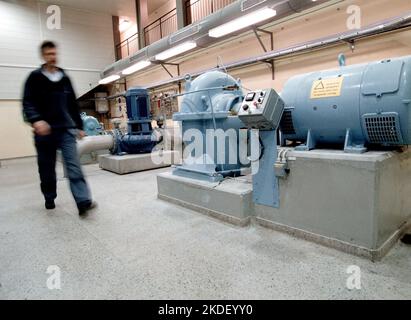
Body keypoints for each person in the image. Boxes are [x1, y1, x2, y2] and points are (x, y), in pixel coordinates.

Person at [23, 41, 96, 215]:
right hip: (44, 132)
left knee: (74, 166)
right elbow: (28, 103)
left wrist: (78, 125)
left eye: (54, 54)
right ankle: (49, 196)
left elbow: (72, 104)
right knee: (47, 168)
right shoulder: (34, 77)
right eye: (49, 54)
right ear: (43, 56)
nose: (52, 57)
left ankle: (83, 201)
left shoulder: (64, 78)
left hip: (65, 129)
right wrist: (36, 120)